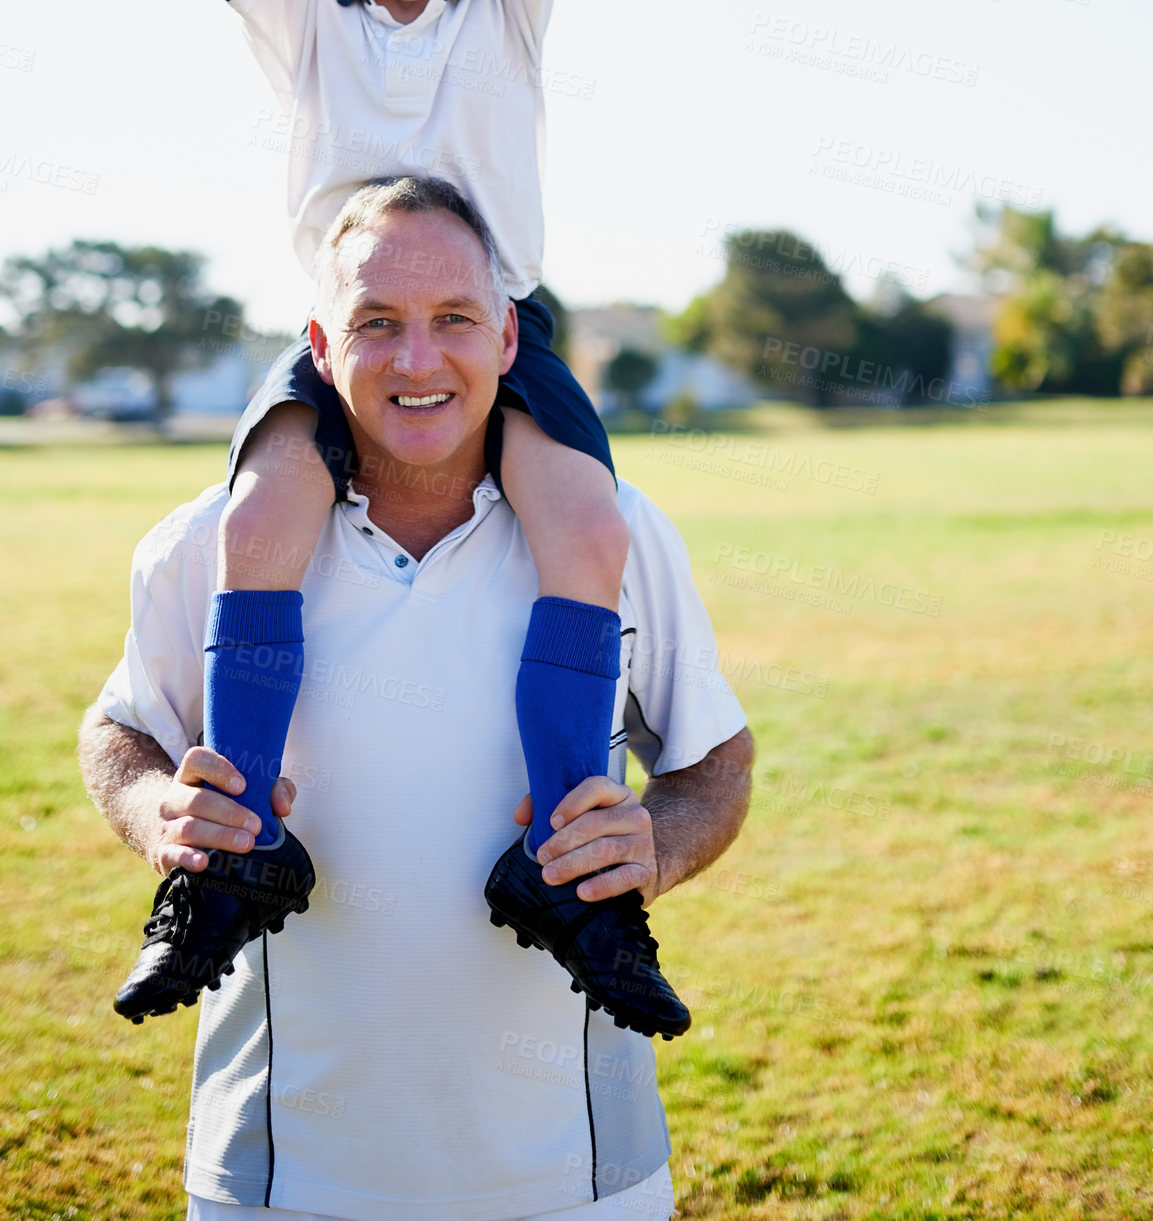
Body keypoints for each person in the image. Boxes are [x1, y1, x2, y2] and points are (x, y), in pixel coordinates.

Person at [110, 0, 659, 1015]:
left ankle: (566, 858)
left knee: (591, 531)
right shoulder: (302, 7)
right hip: (338, 346)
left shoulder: (509, 2)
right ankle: (228, 863)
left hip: (497, 342)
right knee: (252, 529)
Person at [79, 183, 754, 1221]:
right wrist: (154, 807)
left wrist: (652, 845)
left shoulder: (617, 528)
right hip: (277, 1169)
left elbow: (714, 759)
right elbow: (118, 727)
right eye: (376, 323)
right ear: (319, 342)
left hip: (575, 1170)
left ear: (507, 333)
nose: (417, 359)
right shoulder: (207, 537)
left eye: (453, 319)